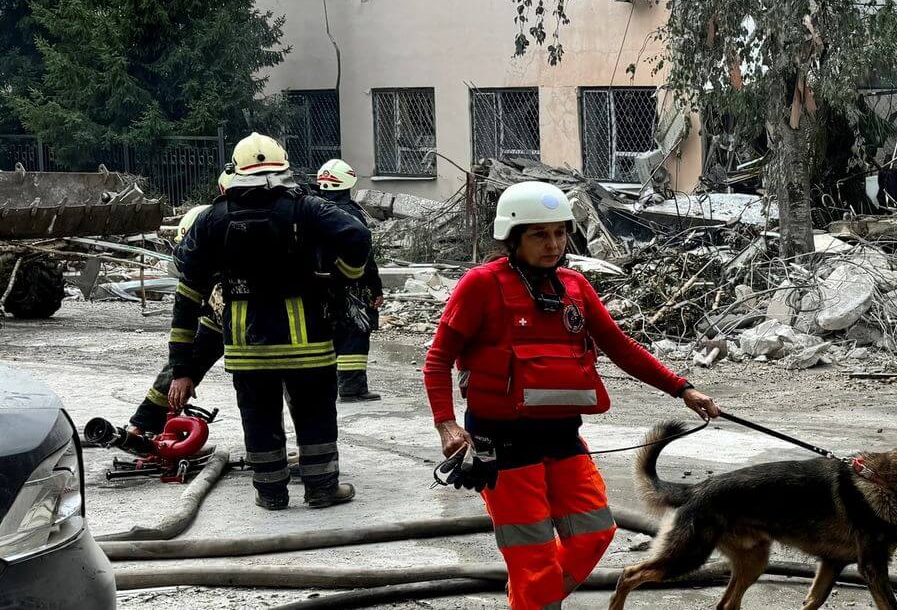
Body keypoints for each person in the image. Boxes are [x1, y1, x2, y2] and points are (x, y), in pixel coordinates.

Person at [421, 181, 720, 610]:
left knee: (594, 534)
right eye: (539, 234)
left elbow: (622, 348)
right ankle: (534, 598)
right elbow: (437, 360)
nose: (553, 244)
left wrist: (683, 388)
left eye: (560, 233)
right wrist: (446, 425)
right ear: (513, 236)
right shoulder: (480, 285)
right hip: (502, 446)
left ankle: (530, 599)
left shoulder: (575, 287)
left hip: (563, 439)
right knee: (534, 558)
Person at [174, 133, 372, 510]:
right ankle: (321, 489)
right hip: (308, 343)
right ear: (284, 168)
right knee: (315, 415)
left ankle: (271, 494)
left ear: (236, 172)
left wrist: (183, 366)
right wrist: (345, 275)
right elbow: (357, 235)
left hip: (247, 347)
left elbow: (187, 293)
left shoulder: (213, 218)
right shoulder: (306, 208)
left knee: (259, 418)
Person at [128, 167, 233, 434]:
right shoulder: (215, 224)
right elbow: (185, 323)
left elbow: (186, 310)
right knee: (190, 359)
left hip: (255, 321)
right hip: (224, 316)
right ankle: (144, 424)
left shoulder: (212, 228)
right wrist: (181, 373)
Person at [316, 158, 386, 402]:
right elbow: (365, 254)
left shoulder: (311, 211)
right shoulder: (349, 216)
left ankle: (329, 386)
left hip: (318, 286)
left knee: (328, 334)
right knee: (356, 333)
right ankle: (352, 388)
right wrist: (375, 287)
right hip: (352, 286)